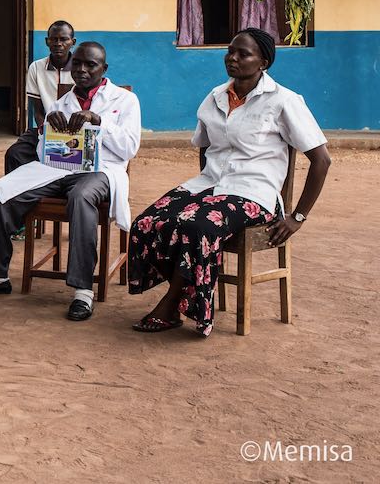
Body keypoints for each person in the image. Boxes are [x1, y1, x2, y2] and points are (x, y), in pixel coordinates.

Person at [128, 29, 330, 337]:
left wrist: (297, 217)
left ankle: (171, 305)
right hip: (208, 185)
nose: (232, 58)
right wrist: (201, 188)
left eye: (243, 54)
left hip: (253, 193)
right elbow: (205, 145)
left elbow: (322, 160)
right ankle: (187, 293)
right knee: (146, 223)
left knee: (197, 227)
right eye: (230, 51)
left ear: (263, 62)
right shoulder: (215, 97)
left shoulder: (284, 101)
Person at [0, 42, 140, 321]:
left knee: (81, 197)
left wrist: (99, 120)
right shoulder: (61, 102)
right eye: (77, 64)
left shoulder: (125, 100)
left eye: (89, 65)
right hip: (58, 168)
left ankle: (83, 291)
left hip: (101, 171)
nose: (81, 70)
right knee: (2, 190)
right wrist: (48, 128)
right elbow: (46, 149)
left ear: (103, 69)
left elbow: (129, 148)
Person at [5, 20, 76, 174]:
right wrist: (45, 134)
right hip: (46, 129)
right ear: (47, 41)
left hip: (75, 131)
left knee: (67, 159)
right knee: (14, 154)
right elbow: (37, 111)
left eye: (64, 39)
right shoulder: (36, 68)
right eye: (53, 39)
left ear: (73, 42)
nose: (58, 43)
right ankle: (16, 194)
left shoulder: (79, 69)